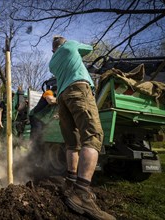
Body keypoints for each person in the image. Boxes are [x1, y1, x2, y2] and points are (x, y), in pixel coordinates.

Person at [49, 36, 115, 220]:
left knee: (72, 143)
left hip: (62, 98)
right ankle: (82, 193)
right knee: (93, 136)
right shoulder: (70, 45)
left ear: (53, 49)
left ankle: (70, 182)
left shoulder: (52, 62)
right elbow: (90, 48)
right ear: (64, 43)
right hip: (79, 89)